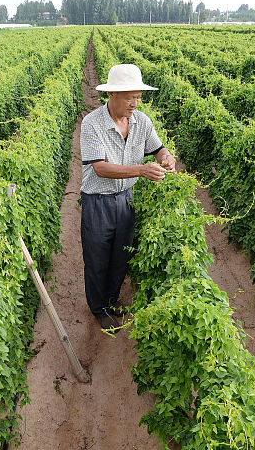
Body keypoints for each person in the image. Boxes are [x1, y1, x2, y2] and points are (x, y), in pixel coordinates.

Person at [80, 64, 176, 330]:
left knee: (121, 255)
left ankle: (111, 300)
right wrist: (141, 170)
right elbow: (100, 169)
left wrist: (167, 158)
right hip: (97, 202)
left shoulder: (142, 122)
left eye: (138, 97)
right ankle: (99, 309)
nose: (135, 103)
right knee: (97, 257)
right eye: (129, 97)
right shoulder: (92, 124)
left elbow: (158, 149)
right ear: (112, 95)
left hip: (125, 199)